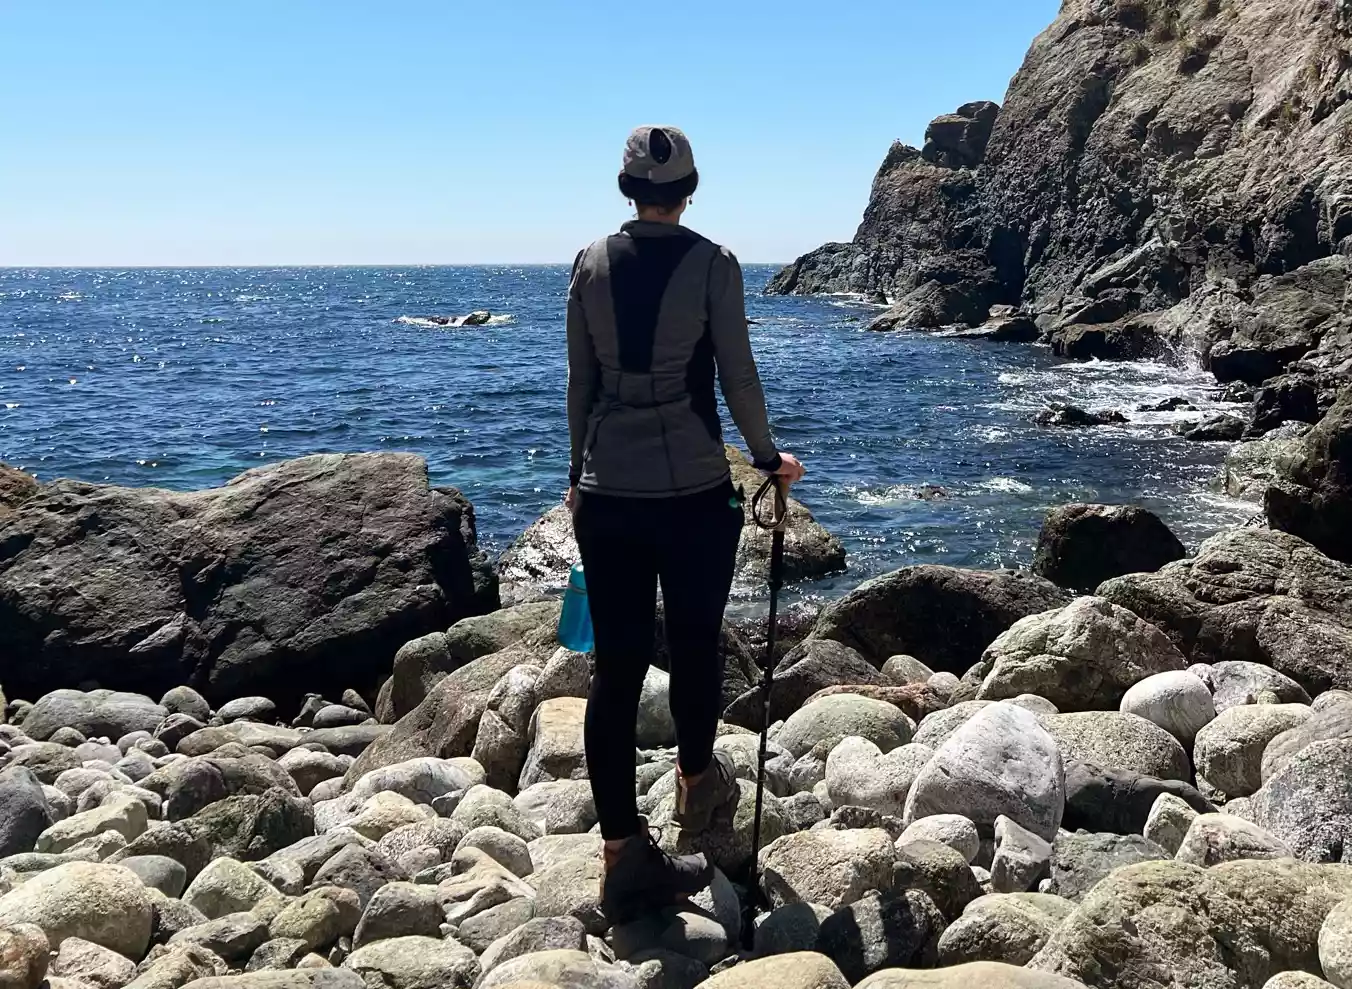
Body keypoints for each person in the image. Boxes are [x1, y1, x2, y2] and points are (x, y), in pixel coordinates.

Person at [564, 124, 805, 924]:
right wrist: (769, 457)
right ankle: (699, 792)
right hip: (697, 493)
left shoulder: (589, 263)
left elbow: (581, 384)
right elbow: (736, 373)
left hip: (607, 494)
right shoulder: (715, 264)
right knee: (697, 643)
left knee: (617, 670)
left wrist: (577, 477)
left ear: (626, 190)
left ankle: (621, 856)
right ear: (690, 189)